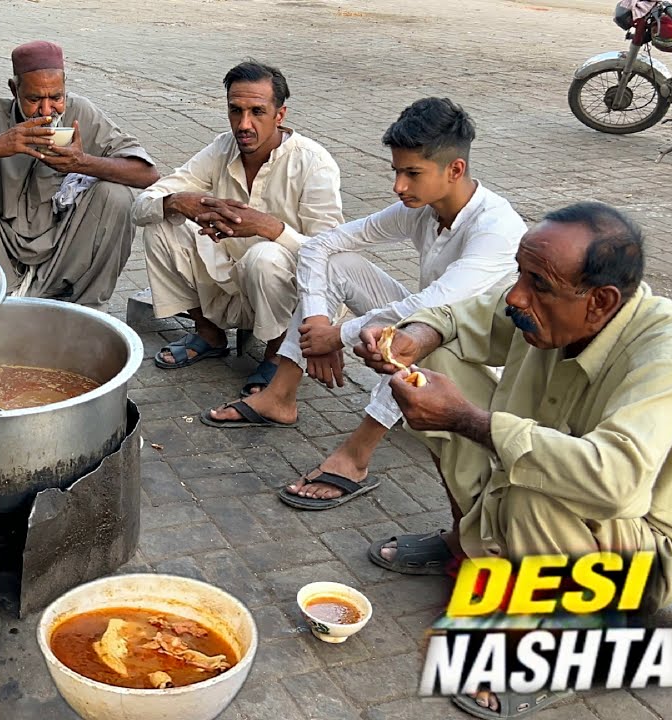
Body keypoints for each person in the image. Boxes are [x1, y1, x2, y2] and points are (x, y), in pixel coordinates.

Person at [355, 203, 672, 717]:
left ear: (600, 301)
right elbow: (455, 320)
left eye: (537, 283)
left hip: (657, 540)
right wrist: (410, 340)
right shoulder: (546, 302)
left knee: (535, 490)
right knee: (436, 365)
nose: (517, 296)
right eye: (520, 274)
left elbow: (615, 484)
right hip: (567, 492)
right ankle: (469, 540)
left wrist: (468, 419)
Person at [201, 98, 527, 513]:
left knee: (417, 337)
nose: (399, 186)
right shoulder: (424, 209)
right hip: (431, 328)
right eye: (396, 171)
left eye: (412, 174)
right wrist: (318, 322)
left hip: (482, 375)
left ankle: (355, 458)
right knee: (341, 266)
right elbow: (322, 246)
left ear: (455, 170)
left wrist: (338, 334)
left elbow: (434, 308)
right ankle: (279, 396)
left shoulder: (496, 229)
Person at [134, 60, 344, 397]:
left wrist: (269, 228)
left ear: (280, 115)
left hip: (289, 290)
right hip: (230, 279)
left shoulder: (313, 163)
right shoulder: (222, 149)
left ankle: (279, 355)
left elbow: (333, 257)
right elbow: (144, 203)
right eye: (236, 111)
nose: (244, 124)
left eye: (257, 112)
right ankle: (208, 333)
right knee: (160, 224)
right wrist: (178, 201)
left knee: (265, 256)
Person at [0, 40, 158, 307]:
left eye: (56, 98)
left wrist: (83, 163)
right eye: (34, 99)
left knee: (117, 195)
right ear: (14, 89)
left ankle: (87, 308)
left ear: (65, 89)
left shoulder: (81, 113)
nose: (46, 110)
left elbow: (147, 175)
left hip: (62, 249)